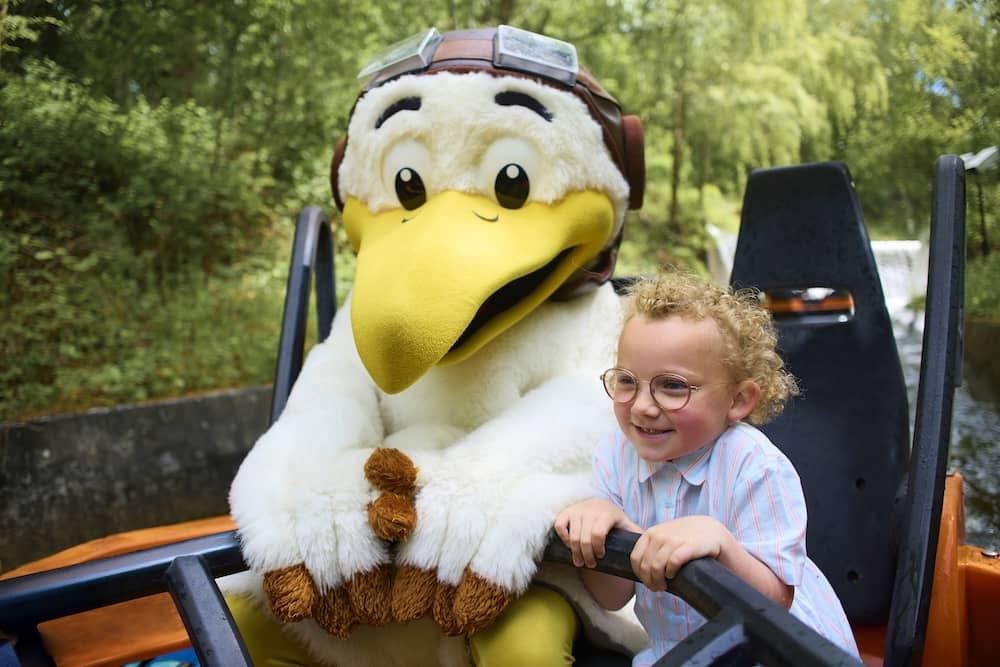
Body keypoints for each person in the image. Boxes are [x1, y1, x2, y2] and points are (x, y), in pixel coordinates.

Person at [553, 271, 861, 665]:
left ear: (738, 400)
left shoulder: (756, 468)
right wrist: (604, 530)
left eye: (673, 386)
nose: (644, 406)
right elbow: (611, 596)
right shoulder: (615, 456)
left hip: (776, 653)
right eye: (627, 381)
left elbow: (774, 605)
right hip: (680, 653)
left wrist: (721, 544)